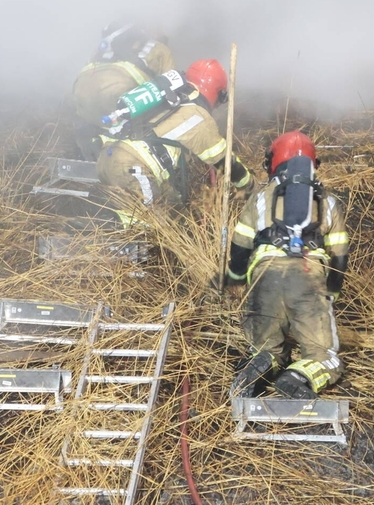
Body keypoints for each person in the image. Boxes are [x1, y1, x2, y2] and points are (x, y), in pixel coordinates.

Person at [226, 131, 349, 400]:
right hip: (306, 275)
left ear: (274, 161)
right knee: (324, 357)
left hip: (265, 276)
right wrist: (332, 292)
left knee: (266, 346)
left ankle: (263, 362)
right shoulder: (327, 201)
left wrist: (236, 278)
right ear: (313, 164)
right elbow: (340, 252)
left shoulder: (259, 198)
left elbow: (240, 244)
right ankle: (298, 376)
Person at [94, 58, 252, 226]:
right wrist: (249, 185)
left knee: (178, 220)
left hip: (111, 157)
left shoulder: (170, 100)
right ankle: (97, 229)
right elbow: (223, 161)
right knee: (150, 228)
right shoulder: (197, 114)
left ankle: (107, 226)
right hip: (134, 168)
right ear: (217, 93)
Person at [71, 21, 177, 158]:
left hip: (82, 96)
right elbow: (171, 83)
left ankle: (93, 142)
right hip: (120, 99)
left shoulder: (102, 48)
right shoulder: (159, 49)